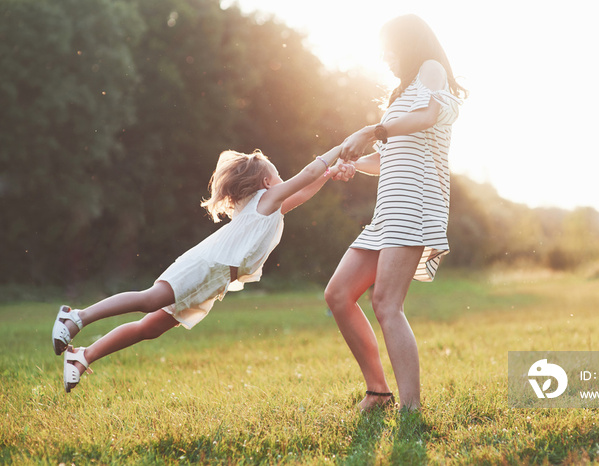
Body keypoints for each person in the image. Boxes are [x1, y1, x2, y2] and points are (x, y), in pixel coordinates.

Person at [52, 146, 351, 392]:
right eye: (279, 176)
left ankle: (82, 356)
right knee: (150, 299)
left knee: (150, 327)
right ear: (267, 184)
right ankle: (76, 316)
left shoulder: (271, 206)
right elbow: (307, 175)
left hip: (212, 281)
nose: (285, 181)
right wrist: (343, 147)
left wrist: (330, 173)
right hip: (204, 266)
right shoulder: (266, 199)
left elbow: (306, 190)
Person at [325, 14, 467, 411]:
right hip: (387, 209)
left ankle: (411, 407)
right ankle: (378, 392)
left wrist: (370, 130)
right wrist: (355, 165)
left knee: (387, 303)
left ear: (408, 44)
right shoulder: (398, 97)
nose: (386, 57)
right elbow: (387, 156)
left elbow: (426, 118)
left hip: (416, 204)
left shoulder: (432, 71)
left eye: (390, 48)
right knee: (338, 294)